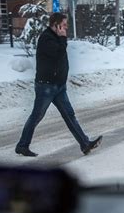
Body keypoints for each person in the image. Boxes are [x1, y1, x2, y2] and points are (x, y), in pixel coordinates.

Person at [15, 13, 102, 157]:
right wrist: (62, 38)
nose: (66, 27)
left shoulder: (55, 38)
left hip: (59, 86)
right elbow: (58, 54)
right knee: (37, 116)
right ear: (56, 24)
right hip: (46, 86)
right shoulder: (47, 38)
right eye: (64, 24)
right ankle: (22, 146)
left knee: (70, 115)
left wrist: (62, 39)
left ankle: (85, 144)